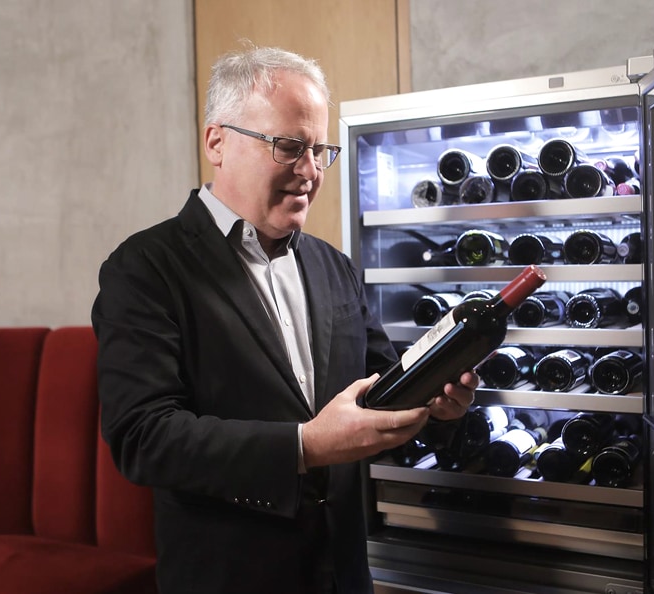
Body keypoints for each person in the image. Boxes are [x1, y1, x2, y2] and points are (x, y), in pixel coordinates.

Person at [91, 45, 477, 594]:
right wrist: (306, 445)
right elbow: (142, 438)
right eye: (289, 147)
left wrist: (436, 407)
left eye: (320, 150)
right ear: (216, 142)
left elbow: (381, 398)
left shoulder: (333, 266)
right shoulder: (144, 268)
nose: (311, 171)